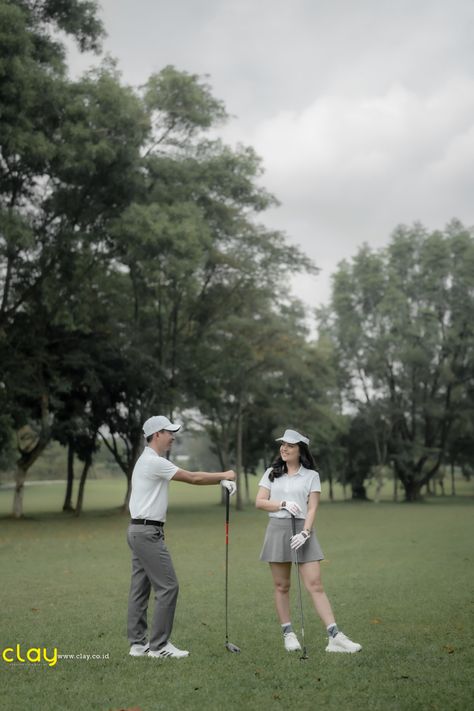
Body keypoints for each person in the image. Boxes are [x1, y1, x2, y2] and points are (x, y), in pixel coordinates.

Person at [127, 415, 236, 659]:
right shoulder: (154, 462)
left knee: (140, 588)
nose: (173, 437)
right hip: (147, 532)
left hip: (137, 530)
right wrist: (225, 475)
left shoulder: (146, 461)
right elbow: (193, 478)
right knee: (168, 586)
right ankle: (159, 646)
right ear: (157, 435)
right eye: (169, 432)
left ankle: (138, 644)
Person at [256, 428, 362, 654]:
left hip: (303, 532)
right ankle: (288, 634)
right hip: (277, 529)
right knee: (281, 586)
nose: (284, 448)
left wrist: (305, 533)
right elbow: (260, 502)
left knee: (315, 584)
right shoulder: (271, 473)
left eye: (290, 446)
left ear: (300, 450)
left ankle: (335, 637)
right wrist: (282, 504)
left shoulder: (311, 476)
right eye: (283, 444)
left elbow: (313, 507)